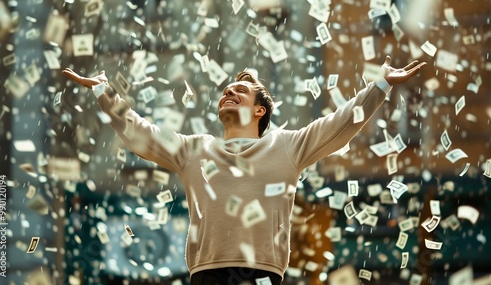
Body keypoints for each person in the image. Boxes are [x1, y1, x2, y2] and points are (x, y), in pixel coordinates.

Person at [62, 56, 426, 285]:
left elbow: (340, 123)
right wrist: (104, 93)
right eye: (225, 91)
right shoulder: (194, 150)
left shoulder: (286, 146)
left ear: (259, 111)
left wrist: (380, 85)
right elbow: (140, 133)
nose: (228, 93)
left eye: (239, 91)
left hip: (263, 275)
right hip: (205, 275)